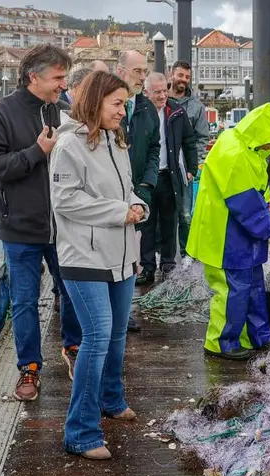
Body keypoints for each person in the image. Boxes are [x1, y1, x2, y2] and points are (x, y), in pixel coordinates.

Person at [50, 71, 148, 460]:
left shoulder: (115, 141)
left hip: (121, 255)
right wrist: (121, 212)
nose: (123, 111)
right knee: (97, 336)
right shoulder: (68, 146)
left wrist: (139, 207)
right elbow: (65, 201)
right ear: (95, 102)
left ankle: (111, 399)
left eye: (124, 104)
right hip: (83, 257)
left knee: (118, 334)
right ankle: (81, 431)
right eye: (117, 104)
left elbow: (125, 192)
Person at [0, 43, 82, 401]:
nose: (63, 85)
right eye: (57, 78)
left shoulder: (65, 111)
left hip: (63, 224)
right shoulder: (0, 114)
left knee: (71, 291)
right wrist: (37, 152)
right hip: (20, 227)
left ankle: (73, 349)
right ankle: (30, 368)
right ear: (33, 77)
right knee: (24, 301)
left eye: (65, 78)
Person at [186, 103, 270, 361]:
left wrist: (267, 169)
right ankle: (222, 342)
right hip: (224, 236)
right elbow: (248, 209)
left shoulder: (244, 144)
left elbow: (253, 187)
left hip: (241, 236)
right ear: (261, 136)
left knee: (253, 287)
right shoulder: (234, 156)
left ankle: (258, 337)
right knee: (232, 291)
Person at [137, 72, 198, 284]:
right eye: (157, 92)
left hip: (169, 174)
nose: (163, 96)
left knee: (169, 220)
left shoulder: (177, 111)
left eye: (165, 90)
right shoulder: (140, 112)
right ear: (147, 92)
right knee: (147, 223)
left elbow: (189, 141)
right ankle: (147, 267)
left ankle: (168, 263)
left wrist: (192, 169)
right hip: (146, 177)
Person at [117, 49, 161, 332]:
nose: (142, 77)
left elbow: (155, 148)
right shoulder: (108, 104)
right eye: (137, 71)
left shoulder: (147, 108)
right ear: (121, 71)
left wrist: (147, 184)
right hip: (112, 194)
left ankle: (125, 311)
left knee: (132, 256)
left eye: (145, 71)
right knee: (113, 257)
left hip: (139, 193)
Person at [168, 60, 211, 259]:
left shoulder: (196, 106)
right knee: (161, 213)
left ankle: (186, 253)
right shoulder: (160, 99)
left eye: (187, 77)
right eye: (180, 75)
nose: (183, 80)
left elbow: (202, 137)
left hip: (184, 167)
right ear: (171, 74)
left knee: (185, 214)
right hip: (161, 166)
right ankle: (162, 255)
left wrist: (193, 164)